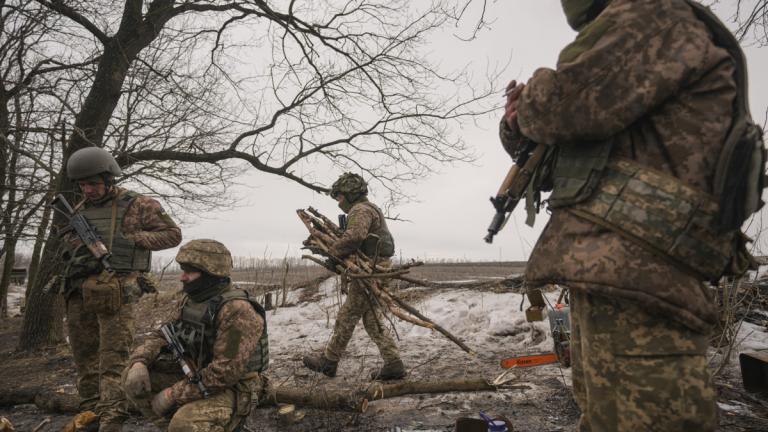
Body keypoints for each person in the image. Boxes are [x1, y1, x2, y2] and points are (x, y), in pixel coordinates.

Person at [499, 1, 763, 430]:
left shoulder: (651, 17)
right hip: (616, 273)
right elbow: (563, 161)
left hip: (642, 274)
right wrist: (517, 124)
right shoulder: (645, 27)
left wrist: (535, 95)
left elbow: (566, 105)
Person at [57, 147, 182, 431]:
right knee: (84, 358)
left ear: (109, 179)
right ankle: (89, 414)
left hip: (117, 292)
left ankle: (112, 420)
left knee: (114, 360)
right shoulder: (79, 210)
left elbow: (173, 235)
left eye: (93, 184)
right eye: (83, 185)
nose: (87, 190)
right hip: (81, 291)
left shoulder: (138, 204)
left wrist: (133, 239)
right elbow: (69, 248)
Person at [122, 239, 269, 432]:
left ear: (210, 274)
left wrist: (172, 394)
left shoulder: (238, 312)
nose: (182, 277)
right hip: (195, 375)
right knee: (132, 379)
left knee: (185, 424)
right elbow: (165, 333)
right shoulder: (191, 300)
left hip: (235, 389)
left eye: (189, 272)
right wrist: (140, 361)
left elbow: (225, 373)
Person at [302, 173, 406, 380]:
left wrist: (333, 253)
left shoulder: (360, 210)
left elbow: (354, 237)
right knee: (371, 318)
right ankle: (394, 363)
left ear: (350, 194)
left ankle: (329, 361)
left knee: (348, 314)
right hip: (375, 268)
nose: (339, 202)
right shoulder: (369, 208)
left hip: (371, 270)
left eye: (340, 197)